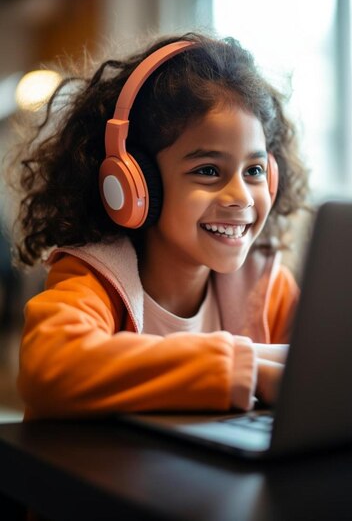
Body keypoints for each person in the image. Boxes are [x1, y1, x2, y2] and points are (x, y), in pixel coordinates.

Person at [8, 32, 308, 420]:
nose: (243, 197)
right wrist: (238, 367)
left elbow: (330, 373)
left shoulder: (268, 288)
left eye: (253, 171)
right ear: (134, 184)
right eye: (208, 170)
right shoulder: (94, 280)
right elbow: (47, 369)